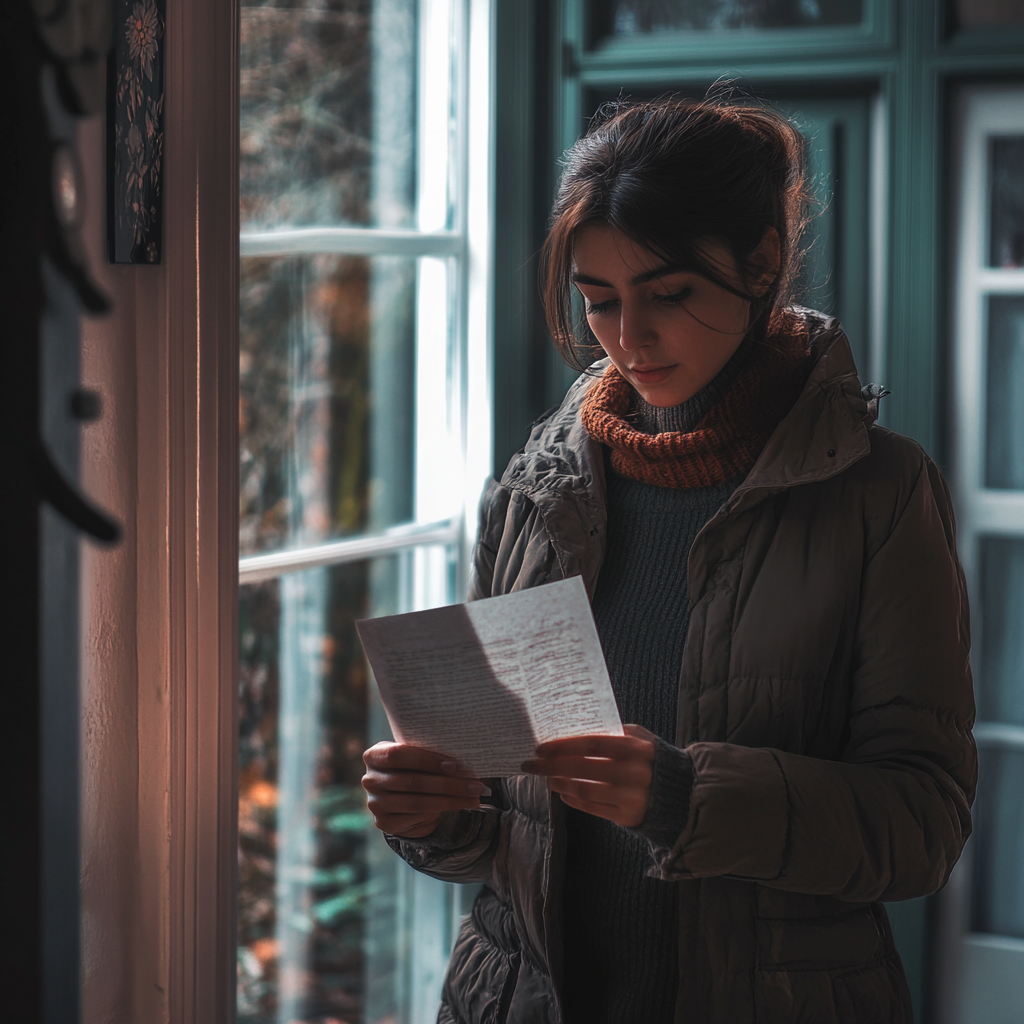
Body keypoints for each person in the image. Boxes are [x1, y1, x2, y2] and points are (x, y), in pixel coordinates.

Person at [361, 94, 976, 1024]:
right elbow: (496, 830)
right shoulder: (538, 486)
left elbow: (922, 830)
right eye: (598, 300)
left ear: (762, 262)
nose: (627, 337)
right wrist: (428, 815)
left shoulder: (878, 494)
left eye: (670, 293)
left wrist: (688, 798)